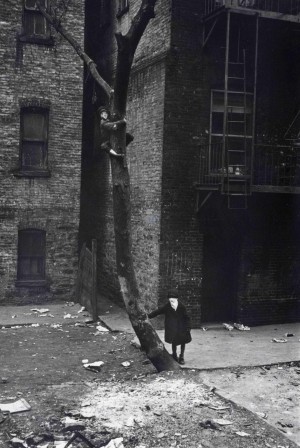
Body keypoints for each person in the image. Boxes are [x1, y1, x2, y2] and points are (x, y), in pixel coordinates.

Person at [148, 290, 192, 365]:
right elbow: (158, 311)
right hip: (172, 328)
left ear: (176, 299)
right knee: (174, 342)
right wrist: (149, 316)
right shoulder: (167, 307)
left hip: (181, 327)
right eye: (170, 300)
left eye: (173, 300)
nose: (171, 302)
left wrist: (188, 327)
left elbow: (186, 317)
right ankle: (174, 355)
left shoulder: (181, 306)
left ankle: (181, 357)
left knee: (182, 342)